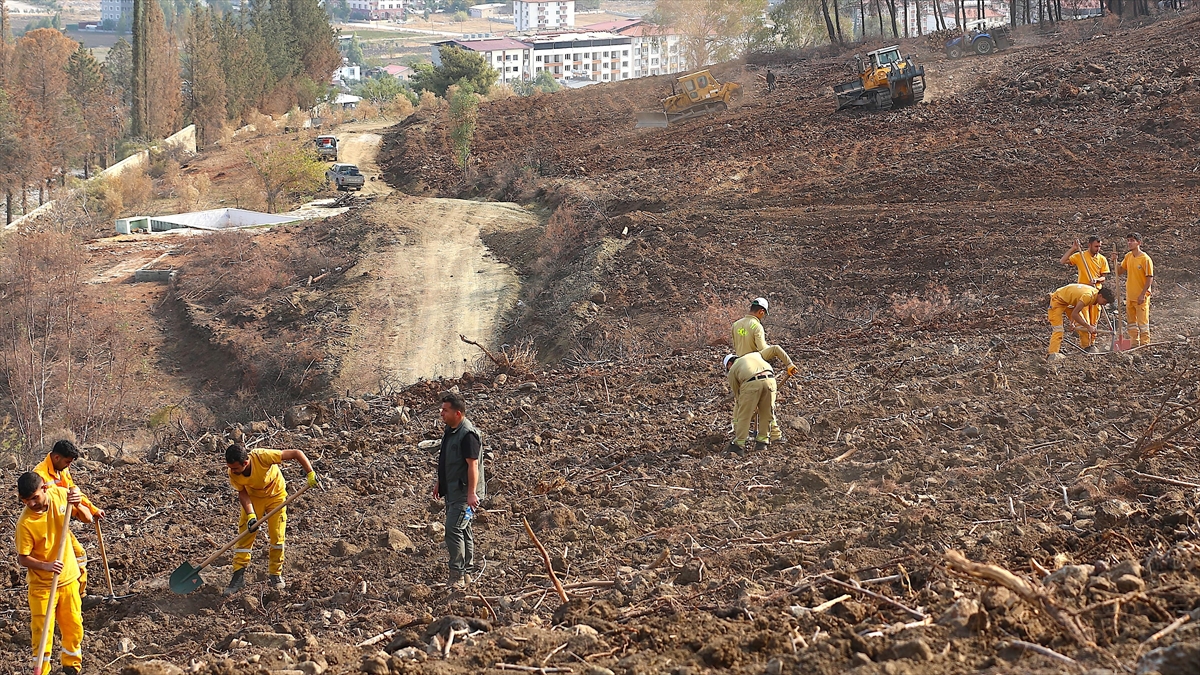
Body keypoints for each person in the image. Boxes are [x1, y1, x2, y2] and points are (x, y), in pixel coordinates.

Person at [222, 444, 317, 595]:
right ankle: (238, 576)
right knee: (245, 536)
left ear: (245, 463)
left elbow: (296, 452)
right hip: (254, 498)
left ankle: (275, 574)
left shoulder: (262, 456)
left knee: (277, 536)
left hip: (276, 496)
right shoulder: (233, 472)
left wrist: (310, 473)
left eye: (234, 468)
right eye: (230, 468)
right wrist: (251, 515)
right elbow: (243, 493)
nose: (231, 471)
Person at [16, 472, 84, 675]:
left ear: (44, 489)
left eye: (35, 497)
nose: (32, 503)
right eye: (26, 500)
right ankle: (41, 670)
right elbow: (22, 559)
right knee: (41, 634)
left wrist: (78, 500)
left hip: (69, 580)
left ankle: (71, 666)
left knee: (73, 626)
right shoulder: (25, 524)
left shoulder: (60, 495)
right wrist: (46, 566)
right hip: (42, 588)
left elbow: (87, 517)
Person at [34, 440, 102, 602]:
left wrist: (92, 509)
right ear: (56, 457)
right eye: (67, 462)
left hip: (60, 524)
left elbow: (73, 492)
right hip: (47, 528)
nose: (68, 466)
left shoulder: (61, 470)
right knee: (62, 564)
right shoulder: (40, 475)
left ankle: (79, 597)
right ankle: (62, 601)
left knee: (78, 557)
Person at [432, 392, 485, 589]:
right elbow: (448, 460)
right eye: (442, 409)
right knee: (464, 529)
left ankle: (458, 576)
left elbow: (473, 467)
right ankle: (467, 574)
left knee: (453, 529)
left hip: (464, 494)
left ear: (458, 413)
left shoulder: (468, 435)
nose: (441, 413)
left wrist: (471, 494)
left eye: (445, 410)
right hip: (453, 490)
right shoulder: (450, 430)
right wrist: (440, 482)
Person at [731, 297, 798, 443]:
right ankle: (774, 435)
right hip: (756, 368)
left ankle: (739, 436)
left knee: (741, 405)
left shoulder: (736, 325)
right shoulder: (756, 326)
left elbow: (737, 349)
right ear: (761, 312)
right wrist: (787, 363)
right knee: (766, 406)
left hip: (741, 370)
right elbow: (763, 349)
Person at [723, 346, 795, 454]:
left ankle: (738, 445)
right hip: (770, 380)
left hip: (750, 384)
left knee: (744, 415)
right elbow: (775, 348)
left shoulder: (732, 370)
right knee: (767, 413)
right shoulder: (756, 355)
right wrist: (789, 364)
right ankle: (762, 442)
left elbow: (738, 396)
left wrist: (746, 408)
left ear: (729, 364)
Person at [1059, 236, 1111, 352]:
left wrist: (1097, 280)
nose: (1098, 249)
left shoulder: (1102, 259)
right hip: (1083, 294)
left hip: (1097, 295)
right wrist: (1073, 249)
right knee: (1084, 321)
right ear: (1089, 245)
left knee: (1094, 321)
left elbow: (1104, 277)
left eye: (1099, 247)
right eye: (1096, 246)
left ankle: (1092, 344)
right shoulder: (1080, 256)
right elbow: (1062, 261)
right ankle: (1085, 346)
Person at [1047, 282, 1115, 359]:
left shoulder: (1094, 294)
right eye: (1105, 301)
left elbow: (1075, 308)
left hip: (1069, 303)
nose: (1104, 304)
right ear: (1100, 295)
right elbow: (1074, 314)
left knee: (1083, 328)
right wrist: (1088, 326)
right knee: (1058, 330)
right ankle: (1053, 355)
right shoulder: (1088, 296)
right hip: (1058, 300)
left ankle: (1086, 349)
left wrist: (1072, 323)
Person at [1120, 232, 1154, 346]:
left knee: (1142, 323)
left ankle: (1145, 344)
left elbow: (1149, 277)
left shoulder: (1145, 259)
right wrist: (1114, 261)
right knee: (1131, 323)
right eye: (1128, 240)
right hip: (1130, 296)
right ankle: (1134, 343)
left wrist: (1143, 294)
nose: (1129, 243)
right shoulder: (1128, 256)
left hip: (1141, 297)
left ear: (1139, 243)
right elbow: (1119, 271)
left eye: (1132, 240)